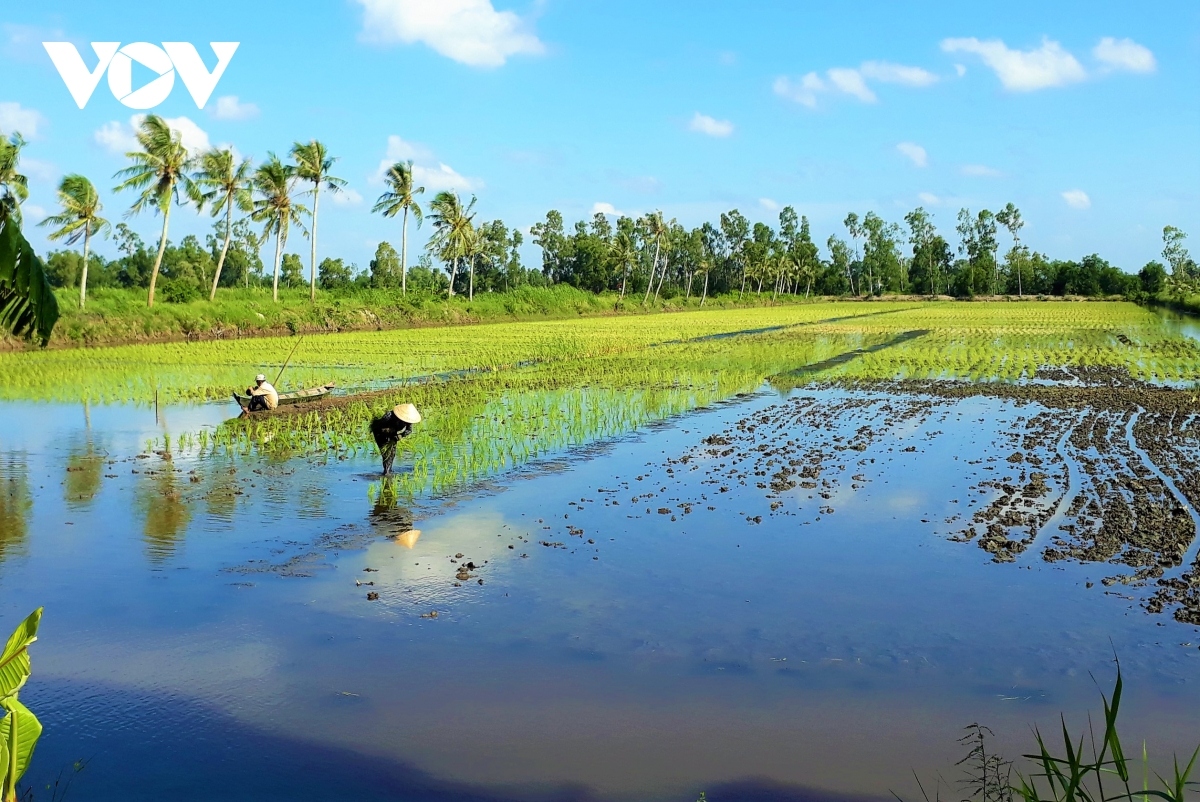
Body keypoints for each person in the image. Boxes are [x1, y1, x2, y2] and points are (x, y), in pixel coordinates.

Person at [370, 403, 421, 475]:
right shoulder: (388, 416)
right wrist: (389, 431)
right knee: (385, 454)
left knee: (392, 453)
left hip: (394, 436)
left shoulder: (408, 421)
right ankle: (386, 472)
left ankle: (388, 471)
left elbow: (409, 431)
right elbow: (379, 428)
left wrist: (399, 436)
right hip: (380, 435)